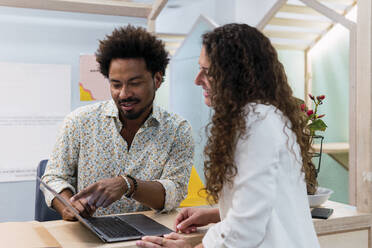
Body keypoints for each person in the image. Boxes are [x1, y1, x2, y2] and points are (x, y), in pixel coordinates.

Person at [136, 23, 320, 248]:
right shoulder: (268, 116)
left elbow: (245, 230)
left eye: (208, 72)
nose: (197, 79)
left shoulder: (256, 122)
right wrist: (216, 213)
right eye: (199, 68)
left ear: (237, 76)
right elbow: (263, 202)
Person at [41, 25, 194, 221]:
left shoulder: (178, 130)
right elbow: (53, 177)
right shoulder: (79, 122)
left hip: (147, 237)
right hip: (89, 236)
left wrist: (128, 185)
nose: (123, 94)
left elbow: (174, 192)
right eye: (116, 84)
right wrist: (68, 205)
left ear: (157, 80)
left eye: (134, 83)